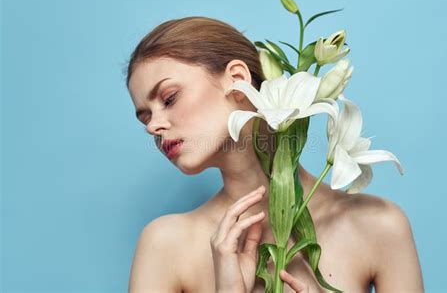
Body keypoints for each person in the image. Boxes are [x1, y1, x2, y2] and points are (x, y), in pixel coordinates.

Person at [125, 16, 424, 293]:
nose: (153, 126)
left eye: (169, 98)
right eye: (144, 118)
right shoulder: (164, 246)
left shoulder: (378, 225)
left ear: (237, 80)